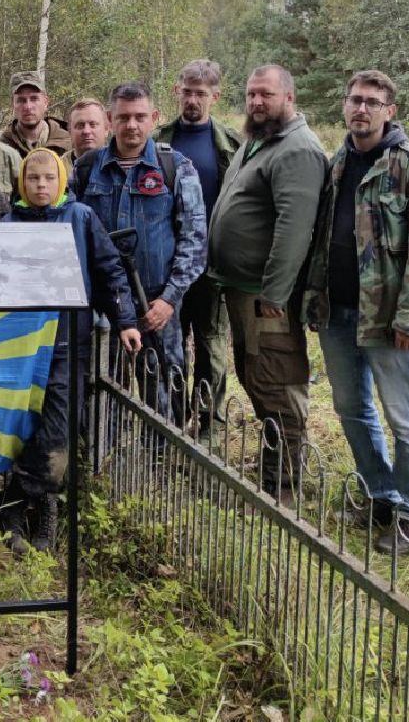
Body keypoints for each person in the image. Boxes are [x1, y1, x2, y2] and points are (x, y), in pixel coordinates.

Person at [303, 71, 409, 555]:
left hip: (389, 319)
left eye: (372, 102)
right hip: (338, 310)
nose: (360, 110)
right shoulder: (338, 162)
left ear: (390, 110)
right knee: (351, 410)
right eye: (354, 101)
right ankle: (379, 495)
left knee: (405, 419)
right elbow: (324, 235)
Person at [0, 148, 141, 553]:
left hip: (66, 343)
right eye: (33, 179)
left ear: (61, 180)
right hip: (20, 346)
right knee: (21, 427)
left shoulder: (80, 217)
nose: (41, 185)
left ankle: (41, 506)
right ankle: (18, 510)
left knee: (59, 429)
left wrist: (126, 321)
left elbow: (109, 269)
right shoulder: (8, 223)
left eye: (48, 178)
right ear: (21, 182)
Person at [207, 65, 329, 502]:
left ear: (289, 98)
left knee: (277, 383)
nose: (257, 103)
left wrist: (276, 294)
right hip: (243, 288)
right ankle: (274, 472)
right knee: (257, 377)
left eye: (267, 95)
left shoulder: (296, 150)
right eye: (251, 94)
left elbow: (295, 231)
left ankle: (284, 489)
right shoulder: (259, 141)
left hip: (266, 296)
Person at [70, 82, 207, 423]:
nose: (132, 125)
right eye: (124, 117)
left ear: (154, 118)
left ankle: (164, 457)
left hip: (156, 305)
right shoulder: (86, 170)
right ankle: (101, 462)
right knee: (101, 392)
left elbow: (194, 241)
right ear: (109, 118)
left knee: (163, 391)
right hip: (103, 309)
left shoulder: (175, 168)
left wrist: (169, 300)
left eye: (140, 117)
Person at [155, 60, 242, 433]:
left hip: (212, 266)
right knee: (170, 346)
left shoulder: (232, 145)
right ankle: (170, 421)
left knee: (209, 346)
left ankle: (208, 426)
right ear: (177, 91)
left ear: (215, 97)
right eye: (187, 91)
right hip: (168, 263)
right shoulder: (158, 140)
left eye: (201, 94)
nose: (192, 100)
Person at [0, 72, 72, 157]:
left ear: (45, 102)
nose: (28, 106)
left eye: (34, 99)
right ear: (13, 104)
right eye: (21, 100)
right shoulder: (1, 148)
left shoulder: (69, 143)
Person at [64, 98, 109, 170]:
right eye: (80, 125)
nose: (86, 131)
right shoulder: (53, 168)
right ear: (69, 131)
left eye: (93, 125)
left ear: (106, 129)